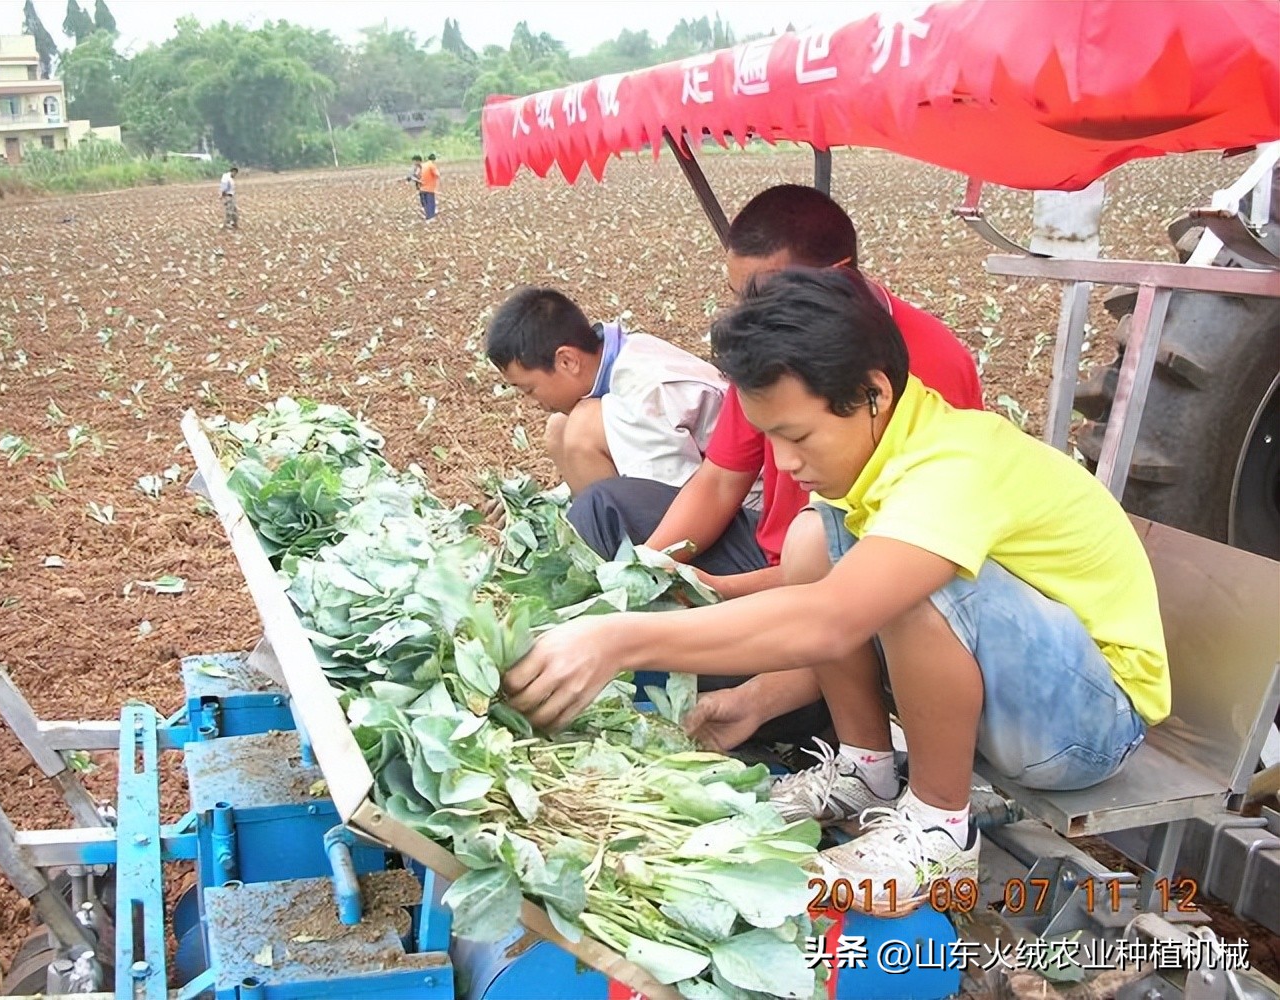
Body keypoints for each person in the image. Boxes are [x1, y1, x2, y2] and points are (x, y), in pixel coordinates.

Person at [502, 267, 1168, 915]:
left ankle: (939, 830)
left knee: (904, 585)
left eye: (795, 436)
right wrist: (755, 697)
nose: (785, 462)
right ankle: (866, 770)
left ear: (873, 392)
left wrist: (618, 638)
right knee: (813, 540)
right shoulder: (888, 457)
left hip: (1090, 724)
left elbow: (836, 619)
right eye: (769, 439)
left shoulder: (954, 466)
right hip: (1025, 698)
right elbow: (842, 612)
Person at [566, 184, 983, 751]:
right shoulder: (773, 348)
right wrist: (649, 572)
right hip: (777, 562)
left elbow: (860, 582)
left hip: (851, 595)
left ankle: (769, 712)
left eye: (763, 294)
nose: (751, 315)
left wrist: (712, 600)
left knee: (684, 656)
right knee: (604, 509)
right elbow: (718, 481)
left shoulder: (929, 367)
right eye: (740, 297)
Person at [487, 287, 729, 497]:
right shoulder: (620, 355)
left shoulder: (642, 389)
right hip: (708, 493)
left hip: (743, 513)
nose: (531, 402)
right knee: (559, 427)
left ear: (567, 361)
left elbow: (679, 497)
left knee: (582, 427)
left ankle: (609, 543)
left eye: (529, 389)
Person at [419, 153, 440, 220]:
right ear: (434, 160)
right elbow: (437, 175)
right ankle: (430, 217)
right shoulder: (432, 165)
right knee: (430, 204)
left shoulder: (423, 165)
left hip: (422, 188)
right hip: (429, 188)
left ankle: (427, 216)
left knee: (425, 204)